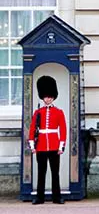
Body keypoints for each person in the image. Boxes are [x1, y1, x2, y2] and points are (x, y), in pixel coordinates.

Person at [28, 75, 67, 204]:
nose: (48, 99)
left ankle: (57, 197)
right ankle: (40, 197)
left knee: (55, 173)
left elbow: (63, 129)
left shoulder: (59, 112)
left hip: (55, 146)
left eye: (50, 96)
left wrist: (61, 146)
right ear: (42, 97)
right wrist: (33, 145)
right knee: (41, 173)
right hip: (41, 146)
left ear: (53, 97)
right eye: (46, 96)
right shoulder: (38, 112)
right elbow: (32, 129)